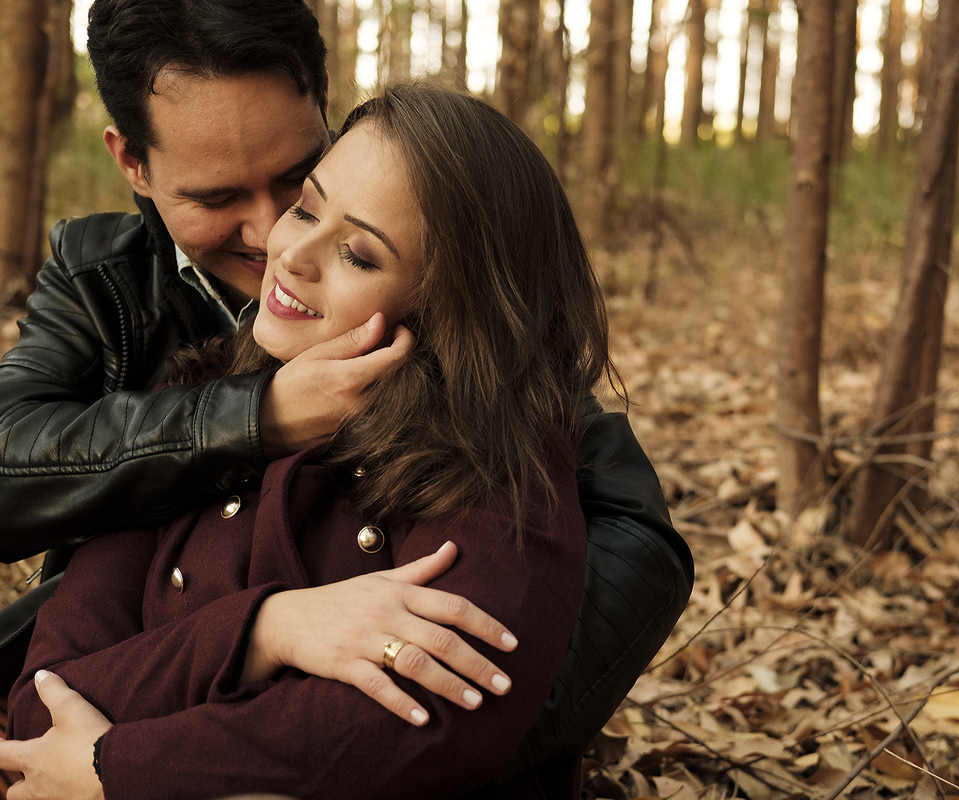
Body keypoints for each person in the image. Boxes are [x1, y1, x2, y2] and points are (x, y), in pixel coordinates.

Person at [0, 0, 692, 771]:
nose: (274, 241)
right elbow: (48, 678)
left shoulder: (481, 412)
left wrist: (476, 730)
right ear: (133, 162)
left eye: (295, 182)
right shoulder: (106, 288)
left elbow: (446, 704)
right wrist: (257, 434)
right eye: (217, 197)